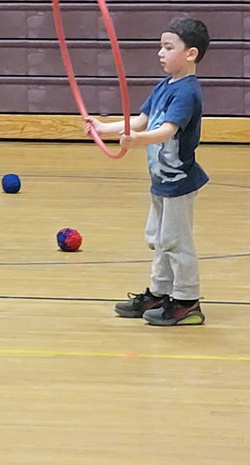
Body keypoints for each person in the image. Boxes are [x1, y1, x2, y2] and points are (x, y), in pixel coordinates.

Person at [88, 17, 210, 326]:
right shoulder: (163, 86)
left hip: (179, 182)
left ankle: (187, 300)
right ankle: (158, 293)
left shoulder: (186, 92)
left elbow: (167, 130)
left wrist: (136, 141)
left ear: (191, 54)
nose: (160, 52)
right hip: (161, 181)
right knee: (158, 237)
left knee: (176, 241)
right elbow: (140, 121)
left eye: (168, 47)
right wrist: (104, 127)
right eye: (161, 46)